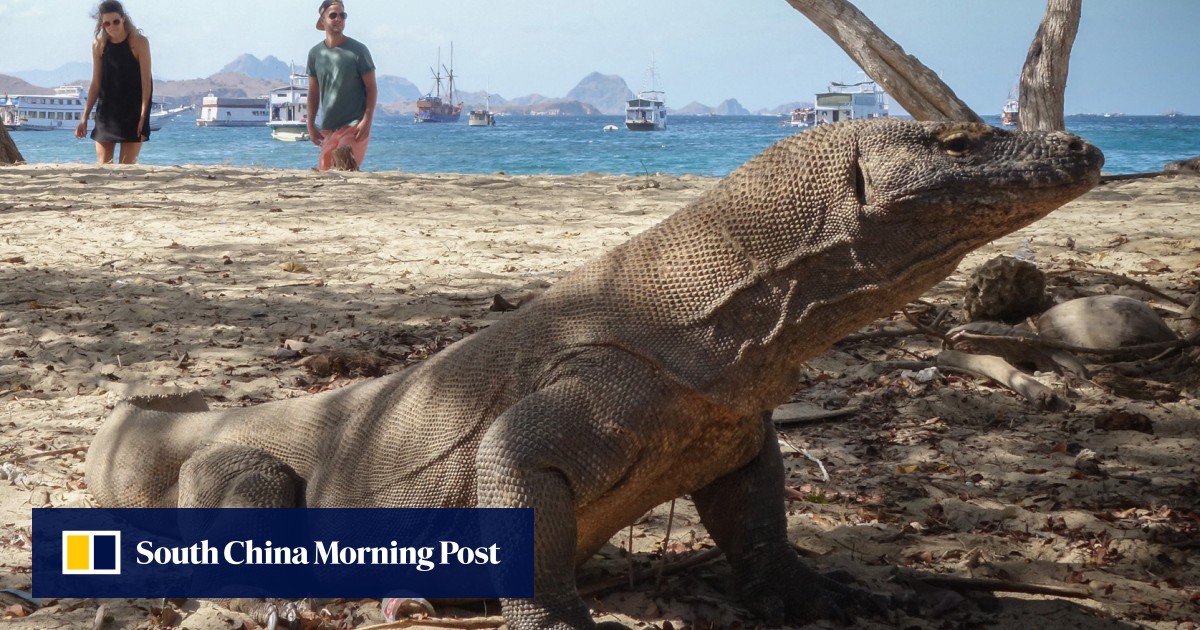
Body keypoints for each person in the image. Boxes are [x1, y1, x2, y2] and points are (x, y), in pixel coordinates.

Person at [76, 1, 152, 164]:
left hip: (133, 112)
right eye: (107, 23)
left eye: (116, 21)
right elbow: (96, 83)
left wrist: (143, 118)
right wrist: (84, 117)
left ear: (123, 19)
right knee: (103, 165)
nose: (112, 26)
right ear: (102, 25)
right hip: (107, 113)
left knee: (127, 166)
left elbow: (146, 83)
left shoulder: (139, 42)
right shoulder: (99, 45)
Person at [306, 0, 377, 171]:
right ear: (323, 20)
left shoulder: (358, 51)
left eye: (342, 15)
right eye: (333, 15)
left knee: (344, 169)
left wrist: (367, 120)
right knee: (325, 174)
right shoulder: (315, 54)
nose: (338, 19)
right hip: (328, 128)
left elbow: (371, 88)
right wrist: (310, 124)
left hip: (354, 126)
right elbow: (313, 92)